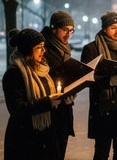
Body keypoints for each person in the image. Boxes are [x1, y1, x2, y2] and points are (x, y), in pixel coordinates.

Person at [81, 11, 117, 160]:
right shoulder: (91, 49)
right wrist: (109, 81)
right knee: (101, 151)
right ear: (104, 29)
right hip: (103, 106)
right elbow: (87, 78)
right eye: (113, 27)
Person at [2, 28, 63, 159]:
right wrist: (48, 102)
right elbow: (16, 109)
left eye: (43, 46)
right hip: (24, 137)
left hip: (46, 133)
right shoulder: (14, 73)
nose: (44, 50)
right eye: (39, 47)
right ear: (28, 50)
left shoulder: (42, 70)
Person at [41, 10, 76, 159]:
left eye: (71, 30)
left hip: (64, 108)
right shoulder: (43, 49)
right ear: (54, 29)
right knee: (52, 152)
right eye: (65, 30)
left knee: (60, 151)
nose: (68, 34)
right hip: (51, 109)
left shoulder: (64, 48)